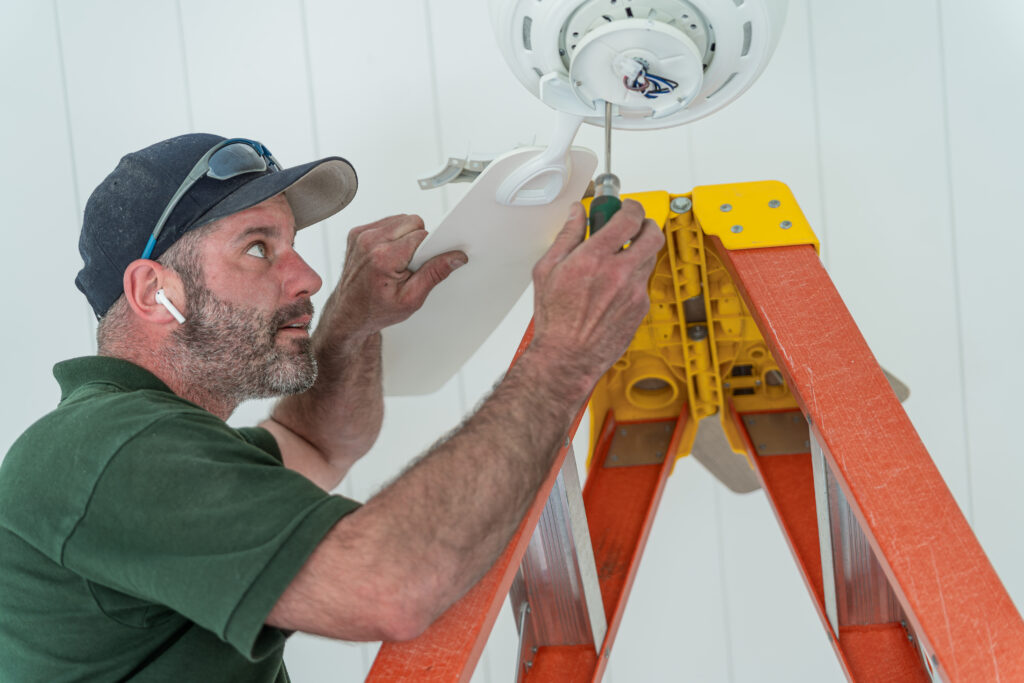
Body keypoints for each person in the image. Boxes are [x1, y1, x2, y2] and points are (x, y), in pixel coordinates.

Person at [0, 133, 663, 681]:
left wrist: (351, 324)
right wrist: (565, 355)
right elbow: (389, 588)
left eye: (291, 245)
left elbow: (318, 446)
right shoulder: (109, 448)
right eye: (258, 248)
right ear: (154, 292)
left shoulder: (141, 443)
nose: (309, 277)